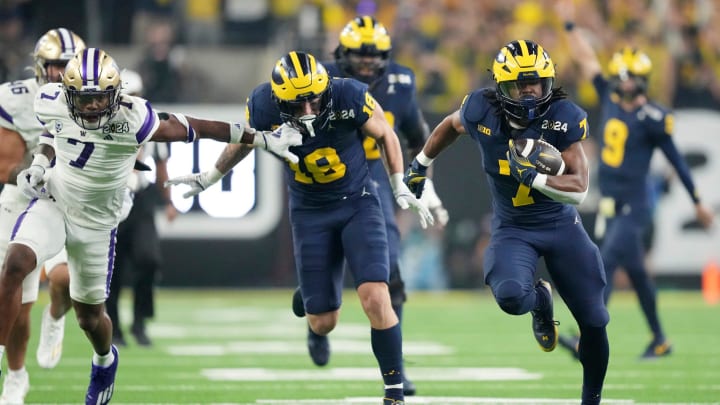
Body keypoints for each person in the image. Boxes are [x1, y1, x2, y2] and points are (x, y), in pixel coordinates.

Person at [0, 47, 302, 405]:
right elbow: (54, 131)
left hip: (97, 223)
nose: (93, 106)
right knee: (15, 263)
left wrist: (265, 139)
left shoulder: (134, 118)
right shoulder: (51, 99)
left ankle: (104, 361)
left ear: (116, 95)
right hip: (55, 201)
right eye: (85, 98)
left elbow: (201, 127)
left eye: (100, 98)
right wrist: (39, 163)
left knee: (90, 318)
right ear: (68, 94)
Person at [166, 51, 434, 405]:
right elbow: (243, 141)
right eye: (297, 103)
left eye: (314, 99)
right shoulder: (263, 104)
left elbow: (385, 132)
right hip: (310, 212)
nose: (308, 109)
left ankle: (394, 392)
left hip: (358, 200)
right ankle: (311, 295)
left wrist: (399, 182)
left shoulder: (347, 94)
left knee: (375, 294)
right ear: (279, 99)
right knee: (323, 322)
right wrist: (211, 177)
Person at [403, 40, 610, 404]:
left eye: (536, 82)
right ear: (501, 86)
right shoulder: (481, 109)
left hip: (561, 225)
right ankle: (541, 304)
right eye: (520, 84)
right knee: (513, 297)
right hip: (514, 228)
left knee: (594, 320)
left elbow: (578, 188)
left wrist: (536, 178)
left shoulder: (565, 115)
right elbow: (451, 125)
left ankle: (590, 400)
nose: (530, 91)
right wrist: (420, 162)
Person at [289, 15, 448, 396]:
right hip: (324, 181)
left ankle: (397, 366)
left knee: (388, 273)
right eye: (358, 54)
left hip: (375, 177)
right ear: (341, 53)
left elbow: (417, 138)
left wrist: (423, 185)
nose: (365, 63)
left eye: (373, 55)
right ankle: (314, 301)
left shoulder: (401, 82)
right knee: (325, 299)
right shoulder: (321, 80)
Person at [557, 4, 714, 360]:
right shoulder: (610, 98)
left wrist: (698, 200)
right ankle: (660, 339)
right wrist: (569, 25)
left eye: (630, 76)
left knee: (605, 262)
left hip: (635, 204)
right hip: (611, 203)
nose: (624, 81)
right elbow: (587, 61)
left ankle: (587, 339)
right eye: (622, 75)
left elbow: (676, 159)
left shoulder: (653, 116)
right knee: (639, 276)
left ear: (642, 78)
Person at [0, 27, 84, 404]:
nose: (61, 71)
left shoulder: (98, 98)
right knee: (14, 291)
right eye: (55, 65)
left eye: (68, 64)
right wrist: (35, 164)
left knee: (65, 282)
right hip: (23, 198)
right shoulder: (17, 99)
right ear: (40, 66)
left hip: (72, 201)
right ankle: (16, 375)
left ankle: (58, 312)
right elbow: (3, 166)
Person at [106, 69, 178, 347]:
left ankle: (139, 321)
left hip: (141, 198)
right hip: (110, 196)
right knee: (113, 269)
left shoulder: (150, 122)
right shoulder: (101, 124)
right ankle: (114, 327)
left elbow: (161, 167)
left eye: (134, 96)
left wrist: (169, 201)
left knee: (149, 259)